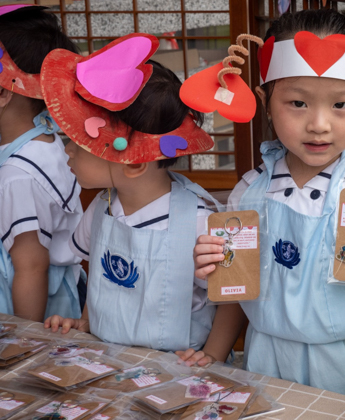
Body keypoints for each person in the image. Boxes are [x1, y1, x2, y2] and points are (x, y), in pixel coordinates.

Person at [187, 10, 345, 419]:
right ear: (265, 100)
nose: (319, 124)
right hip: (268, 364)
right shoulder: (250, 190)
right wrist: (215, 352)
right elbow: (238, 290)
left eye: (341, 104)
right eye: (297, 103)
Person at [42, 33, 244, 356]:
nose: (68, 150)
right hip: (111, 364)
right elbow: (100, 281)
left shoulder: (200, 221)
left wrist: (212, 356)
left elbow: (232, 296)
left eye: (81, 145)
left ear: (133, 164)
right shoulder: (102, 208)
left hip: (177, 371)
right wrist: (86, 322)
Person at [0, 4, 84, 322]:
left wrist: (24, 348)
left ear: (4, 92)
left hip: (32, 311)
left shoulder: (18, 175)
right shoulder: (46, 141)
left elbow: (31, 267)